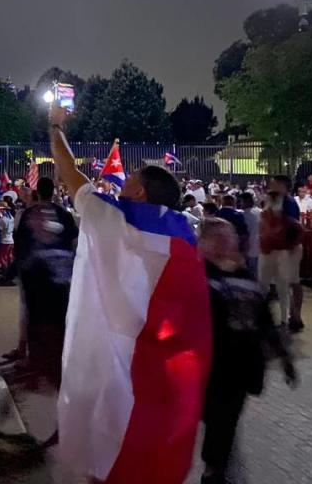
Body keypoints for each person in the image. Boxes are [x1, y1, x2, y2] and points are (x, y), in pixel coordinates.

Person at [49, 105, 211, 484]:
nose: (122, 184)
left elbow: (67, 169)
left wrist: (55, 126)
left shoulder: (114, 216)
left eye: (129, 180)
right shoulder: (188, 238)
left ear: (138, 190)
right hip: (161, 372)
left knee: (109, 450)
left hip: (117, 358)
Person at [199, 217, 296, 484]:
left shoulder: (244, 278)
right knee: (215, 417)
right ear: (203, 242)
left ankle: (213, 469)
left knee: (225, 418)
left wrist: (284, 358)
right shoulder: (195, 275)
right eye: (217, 238)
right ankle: (214, 465)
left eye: (228, 237)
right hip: (208, 365)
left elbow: (264, 320)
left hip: (239, 366)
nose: (225, 243)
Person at [13, 176, 78, 391]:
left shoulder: (29, 213)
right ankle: (60, 362)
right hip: (61, 274)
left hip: (36, 273)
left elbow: (20, 241)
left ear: (38, 192)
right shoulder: (64, 214)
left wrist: (21, 268)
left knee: (36, 318)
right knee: (59, 319)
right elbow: (73, 241)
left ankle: (35, 362)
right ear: (54, 192)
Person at [259, 177, 304, 330]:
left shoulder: (288, 203)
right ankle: (282, 316)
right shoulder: (270, 201)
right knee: (272, 284)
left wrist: (289, 246)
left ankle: (291, 316)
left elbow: (293, 227)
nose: (272, 186)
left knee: (288, 283)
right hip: (272, 249)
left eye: (275, 183)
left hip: (285, 249)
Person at [216, 194, 249, 260]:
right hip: (235, 246)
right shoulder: (238, 215)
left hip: (220, 246)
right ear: (234, 202)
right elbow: (243, 232)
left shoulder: (217, 214)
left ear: (223, 202)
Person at [237, 191, 262, 278]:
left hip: (250, 249)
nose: (240, 204)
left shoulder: (243, 215)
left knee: (252, 275)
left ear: (246, 202)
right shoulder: (261, 212)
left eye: (241, 201)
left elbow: (243, 235)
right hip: (263, 248)